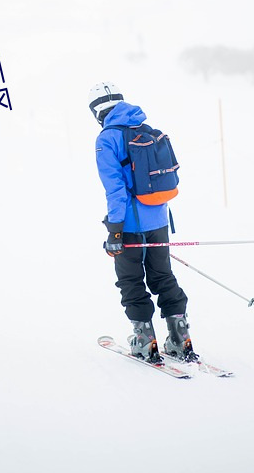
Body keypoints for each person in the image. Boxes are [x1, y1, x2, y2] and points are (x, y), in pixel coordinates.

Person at [89, 81, 197, 363]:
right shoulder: (146, 130)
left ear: (97, 111)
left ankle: (144, 341)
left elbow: (115, 190)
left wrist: (115, 231)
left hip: (129, 225)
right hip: (159, 219)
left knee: (131, 280)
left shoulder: (106, 139)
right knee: (162, 276)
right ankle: (180, 338)